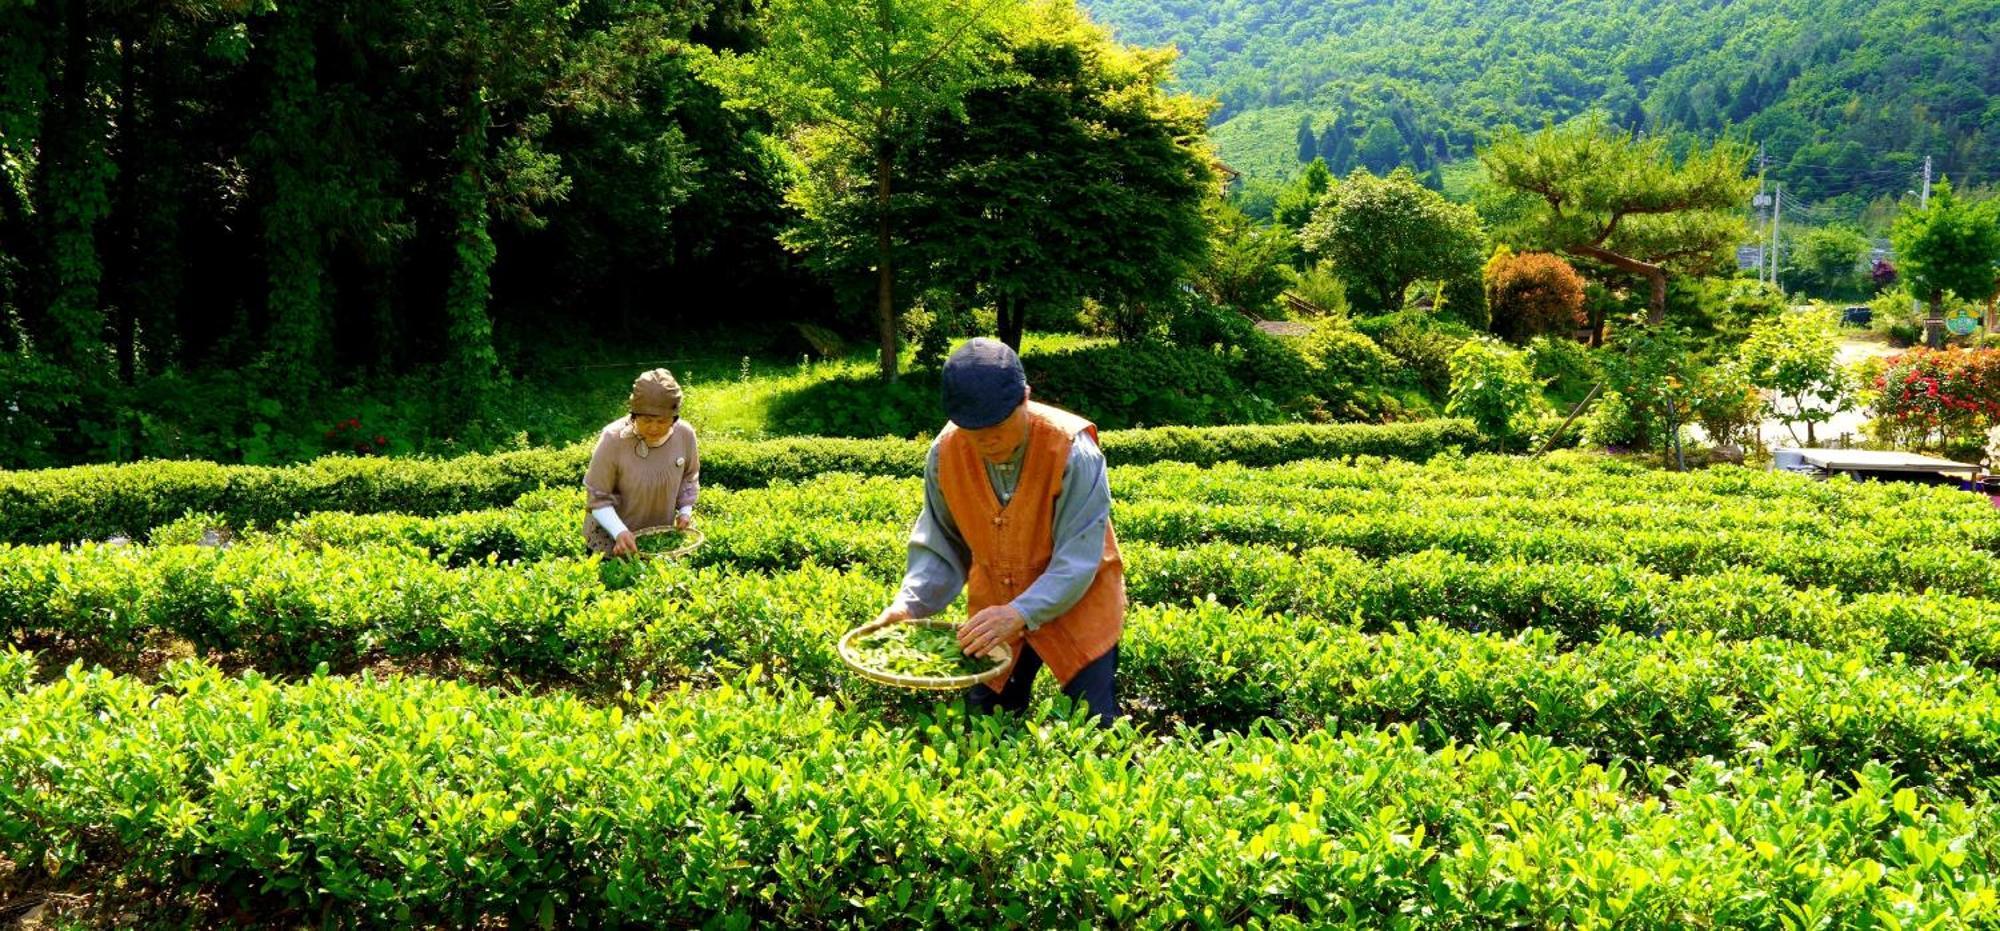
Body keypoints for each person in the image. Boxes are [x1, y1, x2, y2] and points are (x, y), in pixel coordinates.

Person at [870, 338, 1125, 725]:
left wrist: (1021, 611)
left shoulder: (1074, 450)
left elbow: (1077, 559)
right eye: (974, 431)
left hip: (1081, 608)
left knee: (1097, 729)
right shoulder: (945, 453)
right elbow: (941, 542)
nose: (988, 441)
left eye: (999, 426)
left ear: (1025, 398)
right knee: (983, 728)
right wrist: (910, 605)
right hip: (995, 612)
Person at [584, 369, 700, 556]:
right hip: (610, 542)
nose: (653, 428)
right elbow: (597, 496)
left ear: (674, 419)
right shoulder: (613, 439)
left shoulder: (685, 435)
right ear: (634, 414)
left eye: (662, 421)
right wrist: (619, 532)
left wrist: (685, 511)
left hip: (657, 541)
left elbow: (689, 476)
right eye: (646, 420)